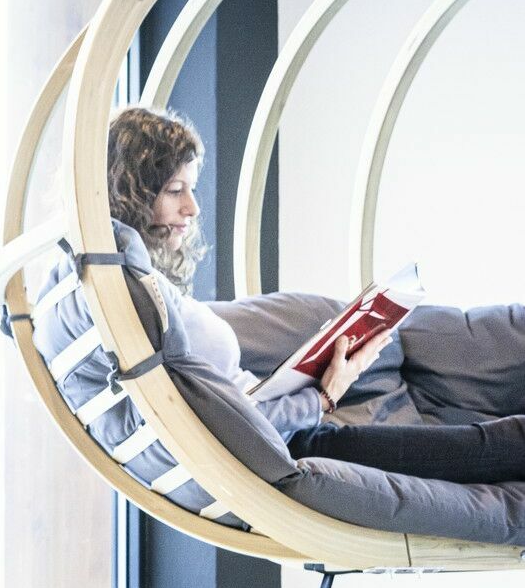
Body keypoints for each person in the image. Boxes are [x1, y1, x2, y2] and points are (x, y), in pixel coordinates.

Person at [107, 105, 525, 483]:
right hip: (294, 446)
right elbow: (237, 422)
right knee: (503, 444)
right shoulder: (144, 300)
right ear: (136, 192)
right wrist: (324, 395)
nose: (193, 208)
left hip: (291, 436)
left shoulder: (139, 289)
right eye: (175, 190)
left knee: (493, 442)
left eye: (191, 189)